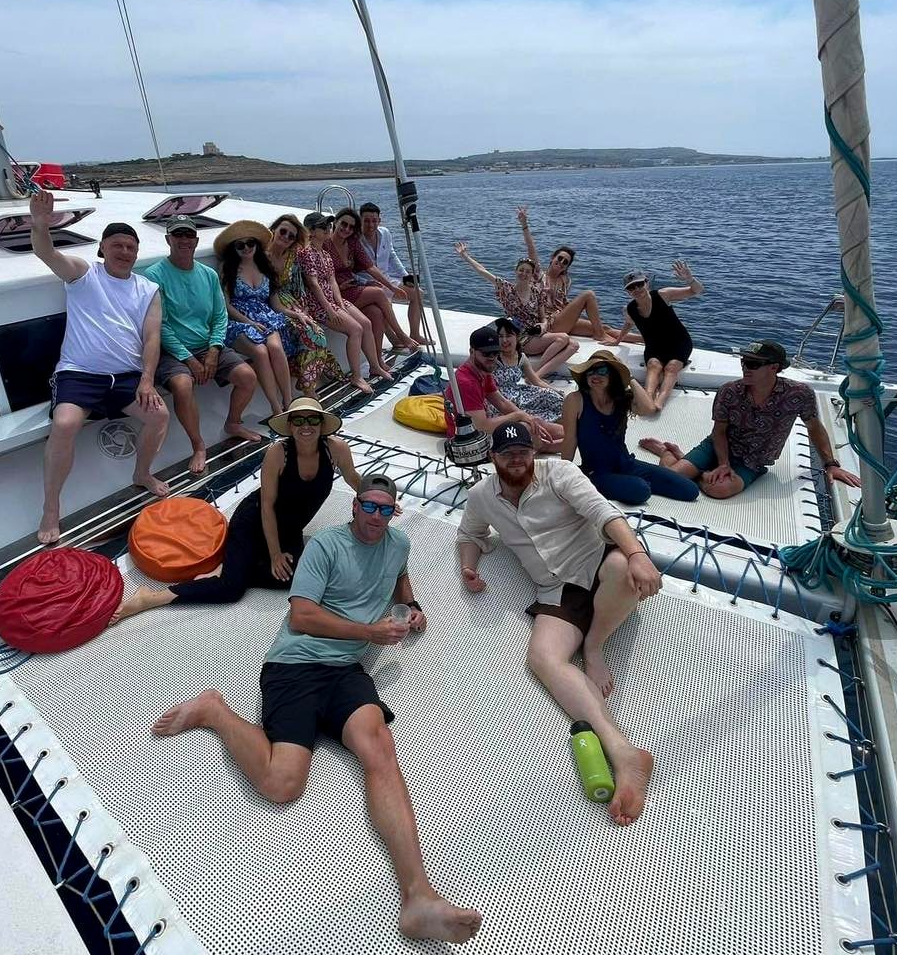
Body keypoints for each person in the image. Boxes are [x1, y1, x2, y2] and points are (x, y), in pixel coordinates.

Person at [153, 474, 483, 945]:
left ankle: (418, 897)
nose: (374, 516)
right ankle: (214, 710)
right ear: (354, 508)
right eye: (367, 506)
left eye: (384, 509)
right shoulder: (327, 546)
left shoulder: (398, 544)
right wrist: (369, 634)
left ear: (395, 514)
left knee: (380, 750)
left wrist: (410, 606)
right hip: (296, 665)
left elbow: (400, 578)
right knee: (281, 785)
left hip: (347, 672)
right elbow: (302, 616)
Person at [456, 423, 659, 825]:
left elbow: (604, 513)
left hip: (598, 563)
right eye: (508, 453)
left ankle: (595, 645)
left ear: (534, 452)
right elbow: (469, 533)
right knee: (543, 659)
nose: (518, 459)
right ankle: (623, 752)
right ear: (493, 458)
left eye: (524, 451)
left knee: (621, 566)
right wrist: (468, 566)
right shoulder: (482, 496)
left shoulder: (560, 473)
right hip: (555, 588)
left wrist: (636, 552)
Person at [108, 398, 363, 622]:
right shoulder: (279, 452)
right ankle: (150, 598)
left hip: (290, 528)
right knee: (231, 589)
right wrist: (275, 555)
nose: (306, 426)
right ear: (290, 426)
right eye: (298, 421)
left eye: (312, 420)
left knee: (294, 579)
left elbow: (352, 477)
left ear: (321, 424)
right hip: (254, 520)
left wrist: (377, 499)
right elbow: (267, 505)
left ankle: (234, 566)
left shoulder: (335, 449)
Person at [29, 189, 170, 545]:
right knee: (64, 424)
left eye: (131, 247)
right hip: (79, 374)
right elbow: (46, 253)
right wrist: (40, 225)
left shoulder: (148, 288)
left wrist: (147, 380)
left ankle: (142, 473)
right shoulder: (83, 274)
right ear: (102, 248)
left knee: (158, 416)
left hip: (126, 376)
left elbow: (152, 338)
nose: (125, 252)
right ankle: (51, 507)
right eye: (117, 245)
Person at [641, 340, 862, 498]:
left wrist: (830, 464)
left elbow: (814, 427)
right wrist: (724, 464)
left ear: (774, 368)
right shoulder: (729, 391)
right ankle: (668, 454)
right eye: (744, 362)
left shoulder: (798, 395)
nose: (746, 368)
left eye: (753, 364)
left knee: (718, 490)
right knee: (670, 478)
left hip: (752, 461)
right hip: (718, 447)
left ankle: (689, 463)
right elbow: (718, 432)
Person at [140, 216, 261, 475]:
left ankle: (233, 422)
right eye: (178, 235)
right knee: (183, 385)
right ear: (168, 239)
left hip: (207, 345)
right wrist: (190, 359)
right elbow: (160, 326)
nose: (184, 240)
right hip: (172, 350)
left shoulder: (207, 275)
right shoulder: (154, 275)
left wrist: (215, 350)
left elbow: (219, 315)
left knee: (248, 376)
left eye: (188, 235)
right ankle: (198, 446)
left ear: (196, 241)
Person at [560, 350, 699, 506]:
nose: (595, 375)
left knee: (690, 490)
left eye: (602, 370)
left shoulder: (621, 398)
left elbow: (648, 409)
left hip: (626, 464)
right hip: (596, 471)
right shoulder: (575, 400)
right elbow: (570, 439)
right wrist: (565, 473)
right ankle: (610, 483)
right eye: (590, 371)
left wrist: (629, 377)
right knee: (641, 490)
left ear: (613, 375)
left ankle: (626, 482)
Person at [297, 211, 392, 394]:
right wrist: (330, 308)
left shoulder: (324, 254)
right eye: (323, 227)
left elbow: (332, 281)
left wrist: (340, 304)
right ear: (311, 231)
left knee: (366, 323)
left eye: (328, 226)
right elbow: (313, 284)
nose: (328, 229)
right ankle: (356, 376)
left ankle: (374, 366)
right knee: (355, 329)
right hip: (318, 304)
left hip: (334, 299)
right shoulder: (307, 253)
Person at [453, 241, 578, 377]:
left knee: (574, 345)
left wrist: (542, 325)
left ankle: (536, 374)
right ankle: (534, 376)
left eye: (528, 272)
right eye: (521, 270)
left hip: (537, 333)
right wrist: (465, 255)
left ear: (531, 276)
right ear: (516, 271)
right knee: (562, 338)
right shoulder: (507, 289)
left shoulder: (537, 292)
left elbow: (543, 317)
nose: (524, 274)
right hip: (520, 336)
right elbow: (482, 271)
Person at [215, 220, 296, 415]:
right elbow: (225, 305)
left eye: (250, 243)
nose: (246, 248)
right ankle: (275, 407)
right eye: (240, 245)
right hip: (238, 320)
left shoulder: (264, 265)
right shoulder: (227, 268)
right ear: (233, 248)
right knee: (260, 352)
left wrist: (296, 314)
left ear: (256, 244)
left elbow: (275, 304)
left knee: (276, 348)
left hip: (266, 317)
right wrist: (249, 322)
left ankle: (289, 400)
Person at [443, 325, 562, 451]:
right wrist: (518, 416)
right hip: (468, 440)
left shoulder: (483, 371)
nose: (492, 358)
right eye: (486, 353)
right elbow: (481, 426)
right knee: (523, 428)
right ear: (472, 351)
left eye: (495, 353)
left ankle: (565, 437)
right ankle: (547, 446)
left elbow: (501, 402)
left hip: (481, 428)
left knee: (535, 422)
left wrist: (528, 418)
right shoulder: (466, 383)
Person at [267, 214, 344, 396]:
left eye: (291, 235)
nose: (286, 237)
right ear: (274, 231)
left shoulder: (291, 255)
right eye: (283, 232)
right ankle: (308, 388)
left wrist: (303, 308)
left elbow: (298, 284)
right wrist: (295, 314)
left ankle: (311, 380)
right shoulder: (264, 257)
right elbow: (270, 294)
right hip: (274, 304)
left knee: (317, 333)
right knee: (313, 335)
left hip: (292, 301)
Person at [517, 206, 620, 342]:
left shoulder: (565, 281)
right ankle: (599, 335)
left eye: (565, 262)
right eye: (559, 258)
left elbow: (563, 304)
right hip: (549, 324)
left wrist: (573, 311)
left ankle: (646, 338)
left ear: (566, 267)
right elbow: (531, 248)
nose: (561, 262)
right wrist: (524, 225)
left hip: (562, 320)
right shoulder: (538, 276)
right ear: (552, 258)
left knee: (603, 327)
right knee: (588, 295)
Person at [327, 207, 421, 355]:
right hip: (338, 291)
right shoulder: (326, 245)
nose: (347, 229)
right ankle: (400, 336)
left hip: (357, 286)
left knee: (377, 313)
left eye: (351, 227)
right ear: (335, 223)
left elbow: (371, 266)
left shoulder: (352, 243)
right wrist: (347, 285)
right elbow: (322, 277)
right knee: (378, 293)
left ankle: (377, 362)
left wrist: (395, 282)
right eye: (343, 224)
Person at [612, 263, 704, 411]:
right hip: (654, 346)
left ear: (646, 283)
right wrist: (617, 341)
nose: (636, 289)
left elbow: (697, 291)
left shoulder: (663, 295)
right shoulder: (630, 309)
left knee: (671, 368)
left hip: (679, 343)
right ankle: (647, 398)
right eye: (631, 287)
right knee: (653, 365)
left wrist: (690, 279)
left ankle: (660, 401)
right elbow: (628, 324)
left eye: (639, 284)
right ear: (628, 292)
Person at [356, 202, 432, 346]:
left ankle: (415, 333)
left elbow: (391, 256)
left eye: (374, 220)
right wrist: (363, 281)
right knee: (382, 300)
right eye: (366, 221)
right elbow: (349, 270)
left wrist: (405, 276)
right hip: (367, 283)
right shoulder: (355, 240)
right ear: (360, 220)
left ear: (379, 220)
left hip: (387, 279)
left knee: (417, 293)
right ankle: (395, 339)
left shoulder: (385, 233)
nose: (370, 225)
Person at [491, 317, 567, 423]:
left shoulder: (521, 358)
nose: (504, 340)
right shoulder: (493, 358)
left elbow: (537, 381)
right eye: (500, 336)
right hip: (499, 399)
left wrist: (558, 392)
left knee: (556, 399)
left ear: (517, 337)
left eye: (508, 336)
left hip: (518, 394)